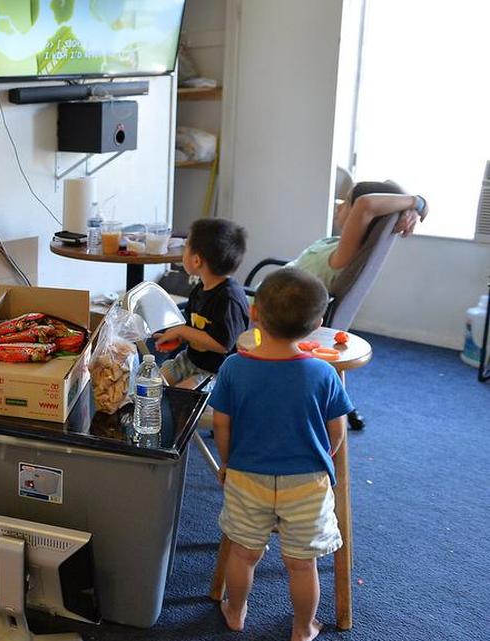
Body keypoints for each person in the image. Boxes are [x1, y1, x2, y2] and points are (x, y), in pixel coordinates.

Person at [208, 267, 353, 641]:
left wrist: (227, 462)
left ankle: (236, 612)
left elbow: (221, 425)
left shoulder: (234, 368)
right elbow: (336, 431)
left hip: (246, 474)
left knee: (243, 553)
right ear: (317, 323)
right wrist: (321, 457)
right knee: (302, 564)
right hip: (307, 482)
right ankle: (303, 628)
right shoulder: (323, 373)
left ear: (254, 313)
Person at [153, 218, 250, 385]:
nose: (183, 252)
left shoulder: (229, 298)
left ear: (196, 260)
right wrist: (177, 338)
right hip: (189, 360)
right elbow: (195, 328)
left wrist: (182, 331)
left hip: (218, 371)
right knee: (153, 384)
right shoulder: (200, 289)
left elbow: (222, 345)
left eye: (185, 248)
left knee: (186, 394)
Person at [287, 180, 427, 289]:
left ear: (365, 217)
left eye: (348, 202)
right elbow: (389, 182)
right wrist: (410, 207)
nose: (339, 206)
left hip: (278, 311)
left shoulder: (343, 256)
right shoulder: (340, 245)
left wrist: (419, 203)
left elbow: (365, 204)